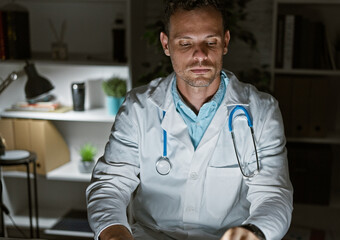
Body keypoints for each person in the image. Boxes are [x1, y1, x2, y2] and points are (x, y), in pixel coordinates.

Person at [86, 1, 293, 239]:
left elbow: (274, 195)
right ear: (166, 44)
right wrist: (114, 233)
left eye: (210, 42)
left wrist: (254, 232)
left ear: (225, 42)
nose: (200, 55)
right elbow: (111, 183)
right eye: (185, 43)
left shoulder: (261, 111)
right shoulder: (138, 108)